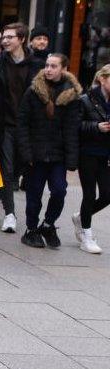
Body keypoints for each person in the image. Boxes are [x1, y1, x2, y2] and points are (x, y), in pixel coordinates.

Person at [0, 23, 45, 234]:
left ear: (22, 39)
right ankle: (10, 214)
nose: (5, 40)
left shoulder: (37, 66)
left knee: (19, 168)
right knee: (7, 169)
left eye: (10, 37)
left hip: (28, 127)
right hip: (3, 125)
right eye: (4, 37)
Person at [16, 53, 81, 249]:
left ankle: (48, 224)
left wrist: (72, 159)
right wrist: (26, 152)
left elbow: (72, 128)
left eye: (54, 66)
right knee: (34, 194)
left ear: (64, 69)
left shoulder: (72, 95)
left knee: (60, 190)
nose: (49, 69)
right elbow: (23, 123)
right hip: (36, 153)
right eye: (47, 65)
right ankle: (31, 229)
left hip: (58, 154)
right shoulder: (33, 92)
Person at [77, 63, 110, 254]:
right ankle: (86, 235)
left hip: (106, 155)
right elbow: (77, 126)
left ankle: (81, 216)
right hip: (88, 153)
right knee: (89, 194)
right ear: (102, 79)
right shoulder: (86, 99)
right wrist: (96, 127)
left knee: (107, 194)